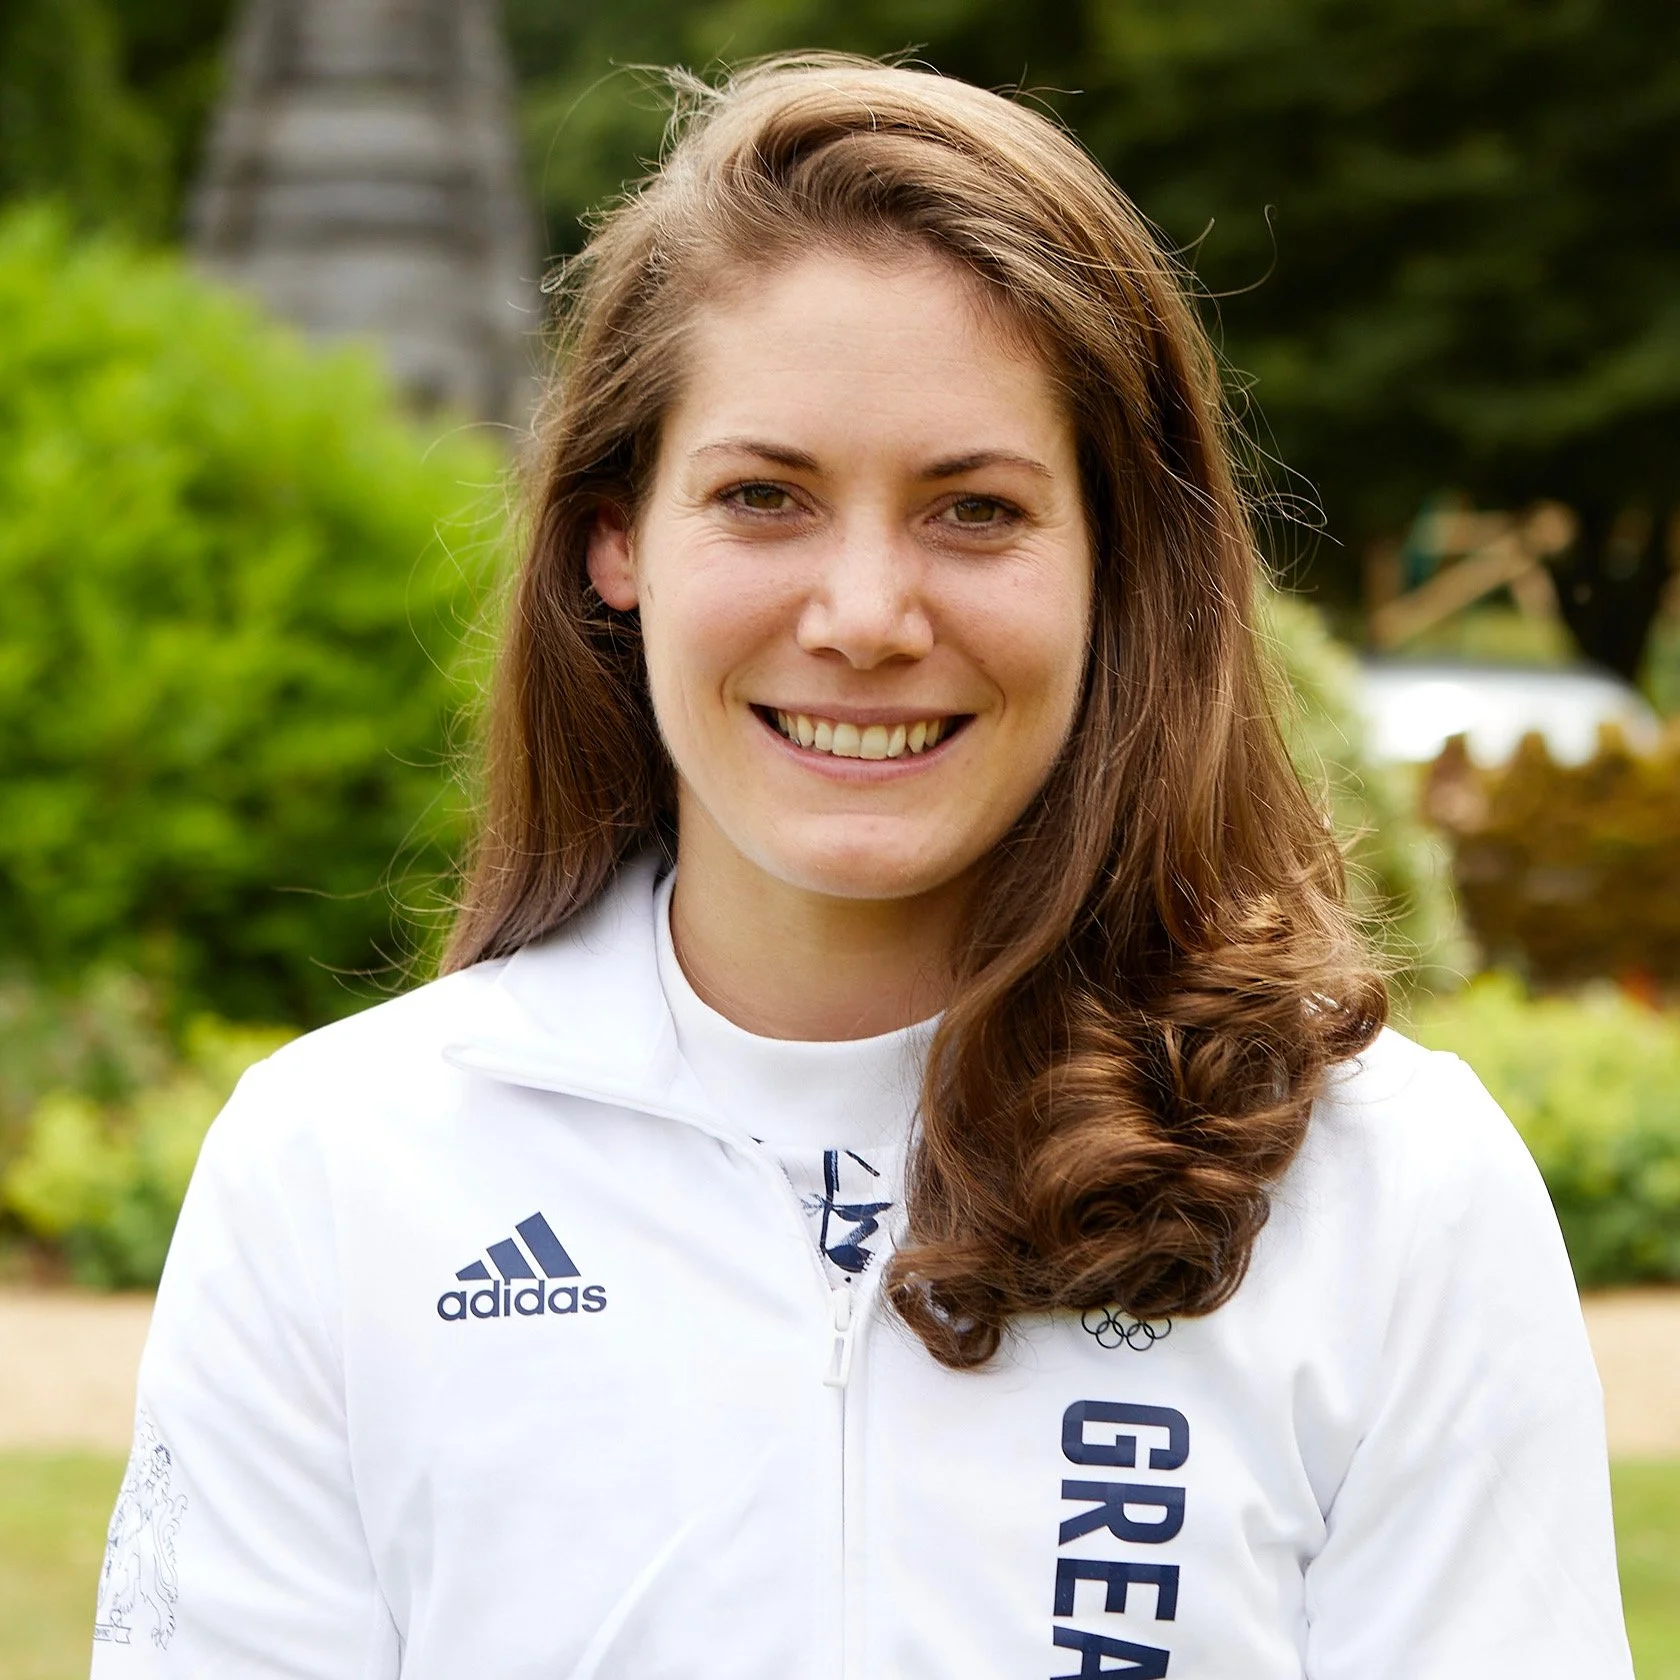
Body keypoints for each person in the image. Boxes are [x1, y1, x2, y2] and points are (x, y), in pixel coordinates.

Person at [92, 55, 1631, 1680]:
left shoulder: (1388, 1195)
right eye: (765, 497)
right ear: (618, 537)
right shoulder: (339, 1175)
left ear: (1118, 560)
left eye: (975, 510)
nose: (866, 615)